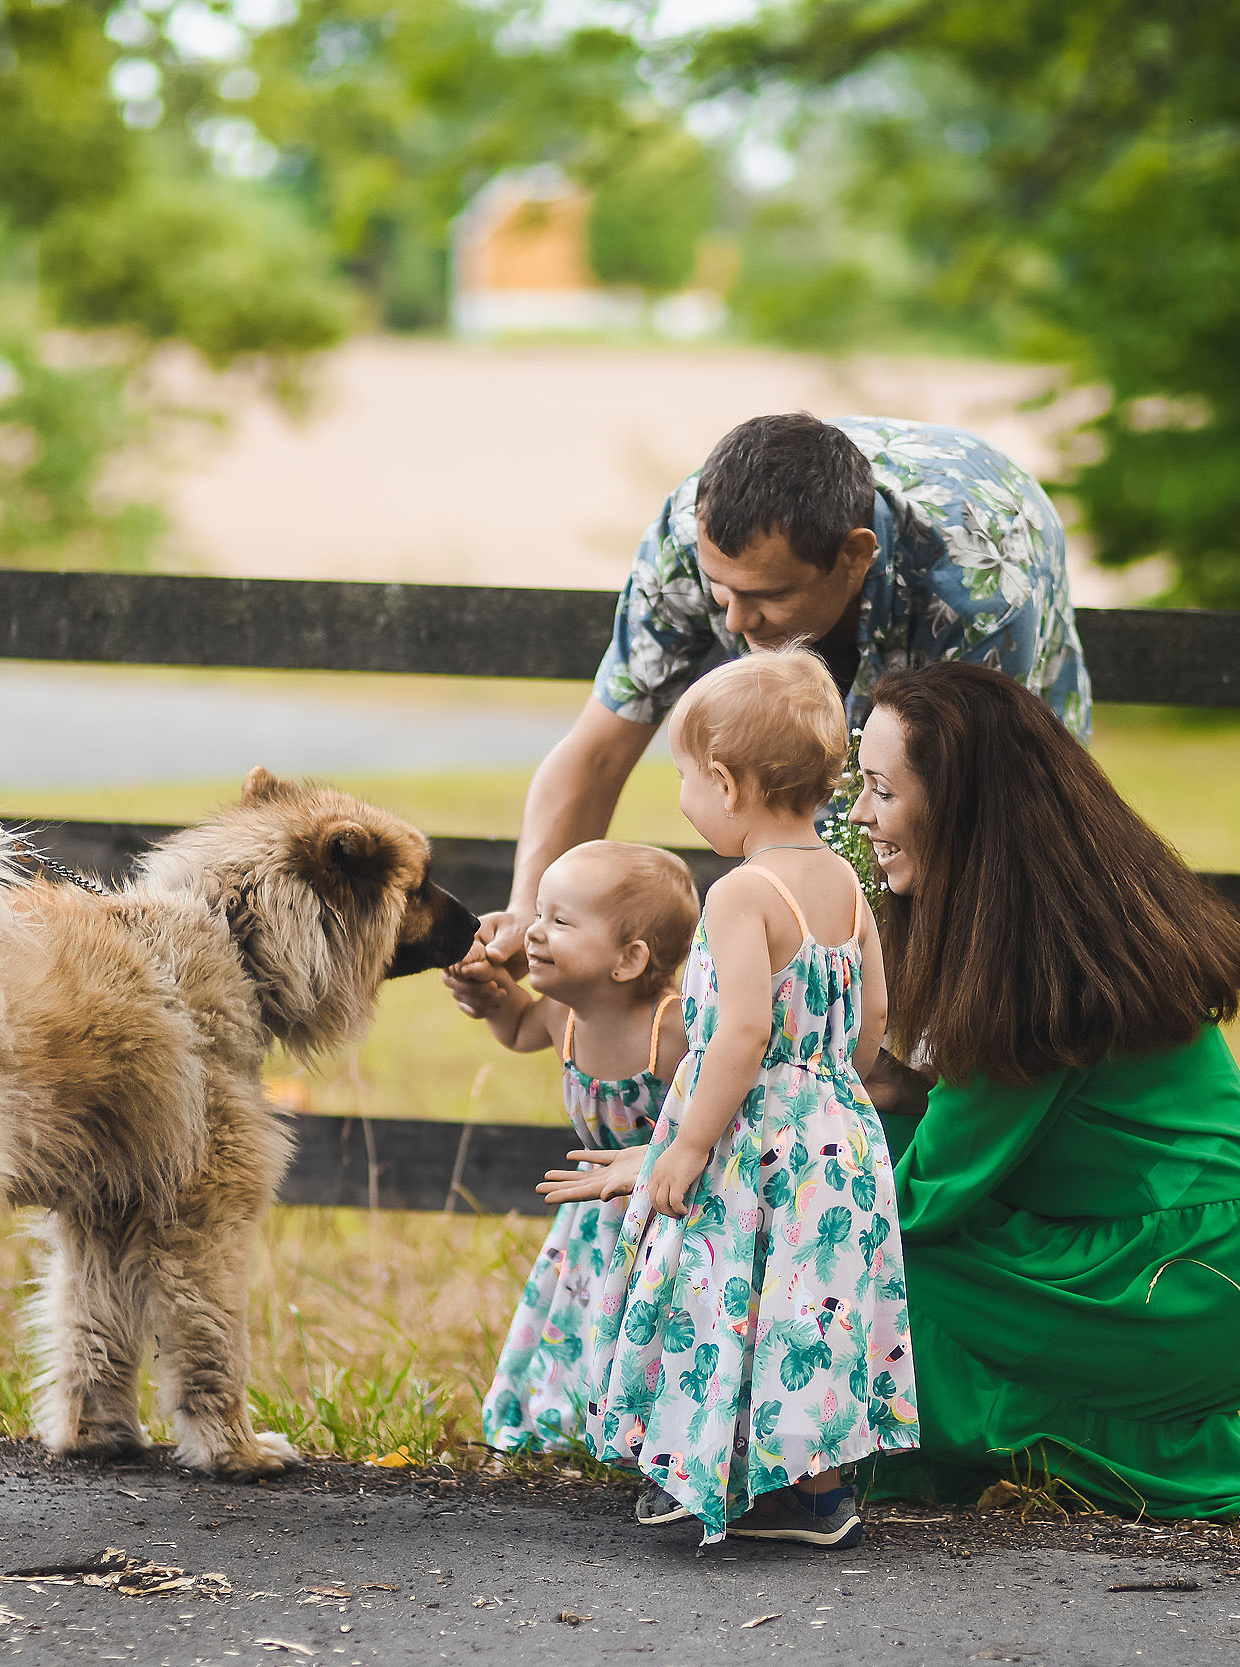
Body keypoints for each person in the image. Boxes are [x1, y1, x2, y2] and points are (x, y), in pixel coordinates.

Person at [846, 661, 1240, 1518]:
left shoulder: (1025, 970)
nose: (859, 815)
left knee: (854, 1246)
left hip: (1186, 1271)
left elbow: (919, 1200)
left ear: (960, 806)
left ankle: (883, 1447)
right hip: (1217, 1242)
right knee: (876, 1172)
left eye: (881, 789)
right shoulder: (1058, 917)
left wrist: (745, 1191)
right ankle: (933, 1449)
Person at [462, 410, 1091, 983]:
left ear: (854, 556)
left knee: (994, 872)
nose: (735, 623)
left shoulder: (980, 586)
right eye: (720, 588)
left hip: (983, 553)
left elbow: (970, 821)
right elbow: (598, 751)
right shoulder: (687, 537)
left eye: (769, 596)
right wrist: (529, 914)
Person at [553, 649, 918, 1550]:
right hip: (839, 1130)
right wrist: (829, 1083)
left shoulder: (740, 893)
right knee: (813, 1307)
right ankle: (819, 1494)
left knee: (722, 1296)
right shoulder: (846, 882)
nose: (684, 795)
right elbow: (875, 1014)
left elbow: (742, 1031)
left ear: (725, 782)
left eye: (685, 776)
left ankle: (704, 1469)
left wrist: (686, 1143)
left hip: (754, 1135)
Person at [453, 841, 699, 1457]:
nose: (534, 932)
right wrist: (485, 985)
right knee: (583, 1317)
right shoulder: (559, 1015)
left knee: (659, 1322)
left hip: (668, 1211)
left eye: (560, 921)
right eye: (539, 914)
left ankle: (652, 1430)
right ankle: (578, 1420)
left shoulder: (672, 1030)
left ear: (629, 959)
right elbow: (515, 1026)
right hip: (595, 1215)